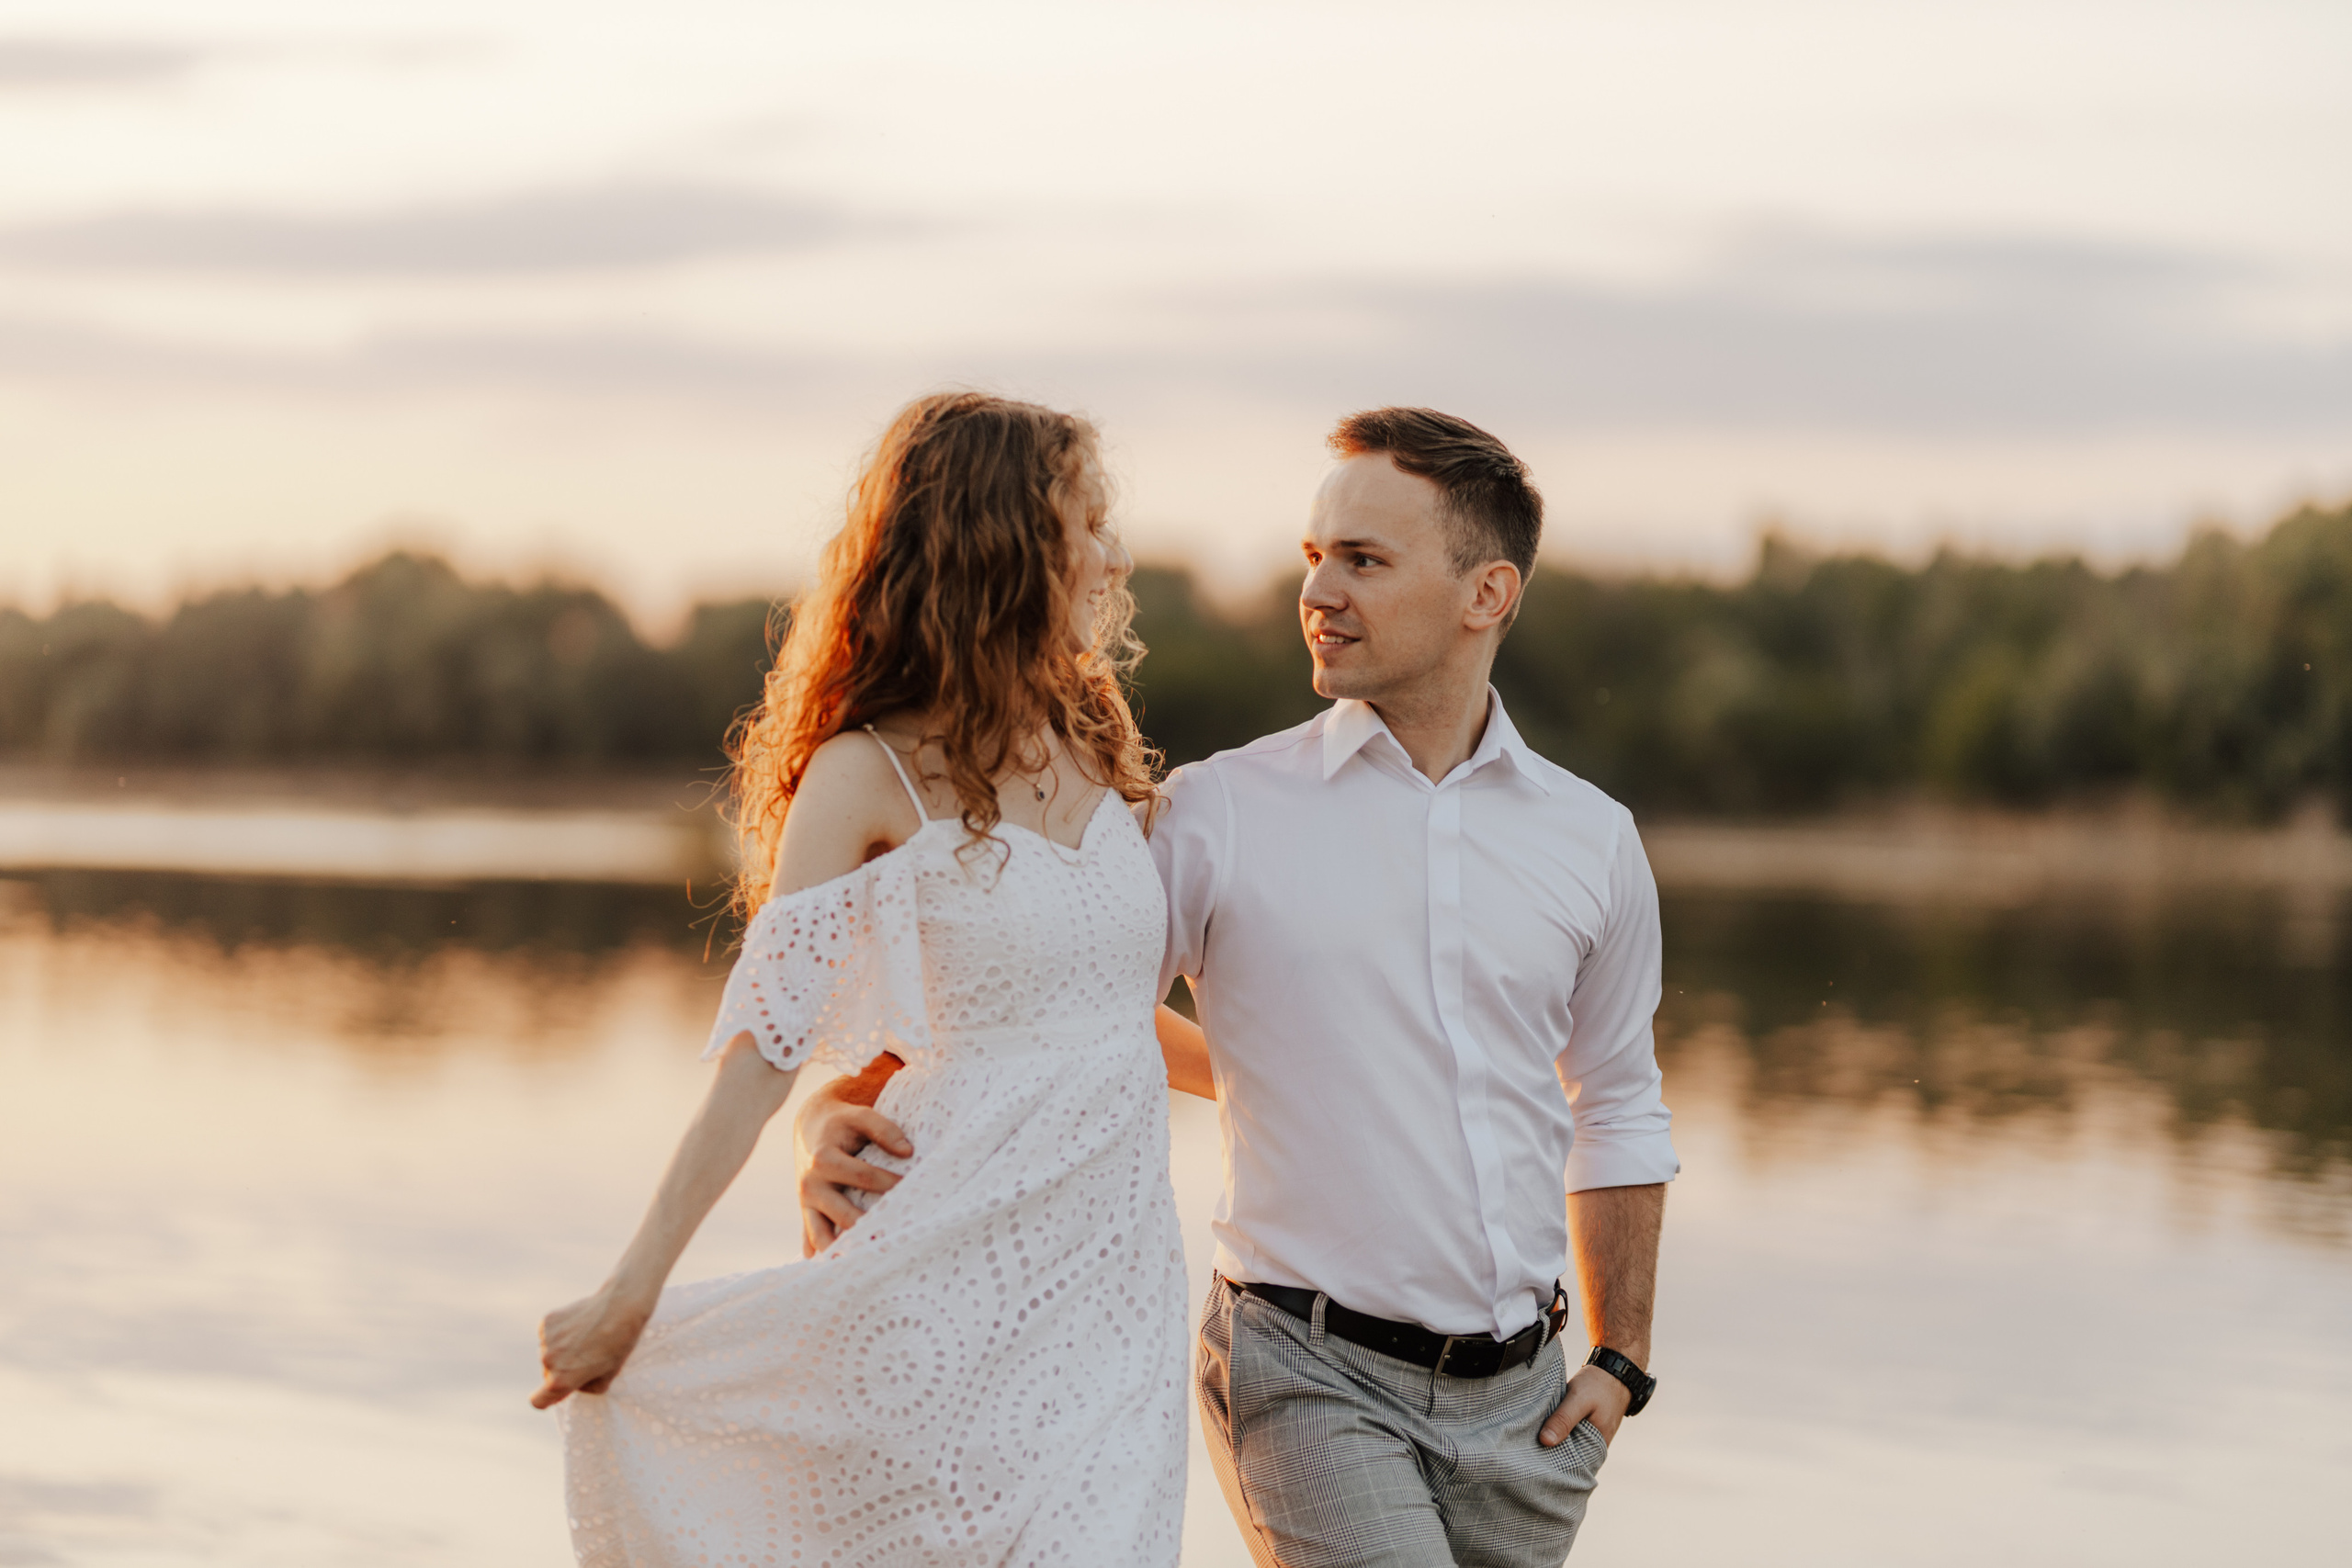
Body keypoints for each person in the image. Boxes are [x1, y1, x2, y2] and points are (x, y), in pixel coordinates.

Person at [801, 407, 1677, 1568]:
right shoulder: (1214, 816)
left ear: (1487, 595)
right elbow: (1032, 1003)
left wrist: (1620, 1362)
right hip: (1303, 1371)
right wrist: (829, 1110)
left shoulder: (1592, 840)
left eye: (1363, 560)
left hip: (1530, 1410)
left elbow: (1614, 1101)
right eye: (1314, 556)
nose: (1317, 589)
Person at [531, 392, 1191, 1568]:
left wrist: (1301, 1088)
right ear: (1006, 542)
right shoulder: (863, 773)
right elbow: (764, 1056)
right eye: (1090, 520)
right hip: (938, 1274)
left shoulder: (1092, 733)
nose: (1116, 553)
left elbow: (1105, 1013)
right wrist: (632, 1293)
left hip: (1113, 1297)